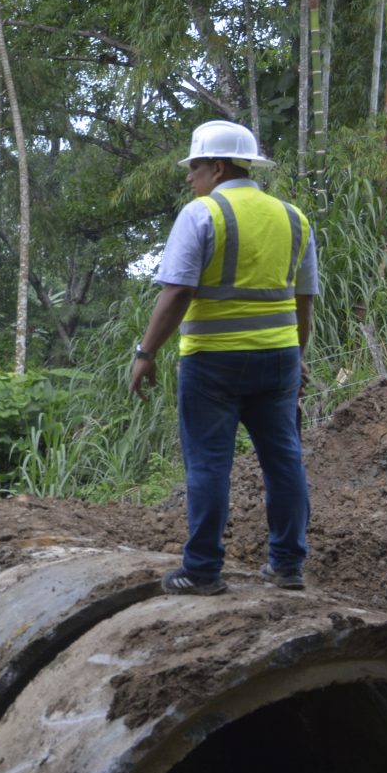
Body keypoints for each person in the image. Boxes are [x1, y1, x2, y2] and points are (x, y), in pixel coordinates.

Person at [129, 120, 317, 595]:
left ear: (215, 167)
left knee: (209, 463)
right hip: (278, 360)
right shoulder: (294, 218)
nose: (189, 178)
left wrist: (146, 352)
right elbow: (303, 301)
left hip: (213, 362)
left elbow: (176, 294)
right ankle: (288, 566)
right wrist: (298, 356)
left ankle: (202, 570)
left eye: (194, 168)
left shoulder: (201, 214)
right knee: (284, 460)